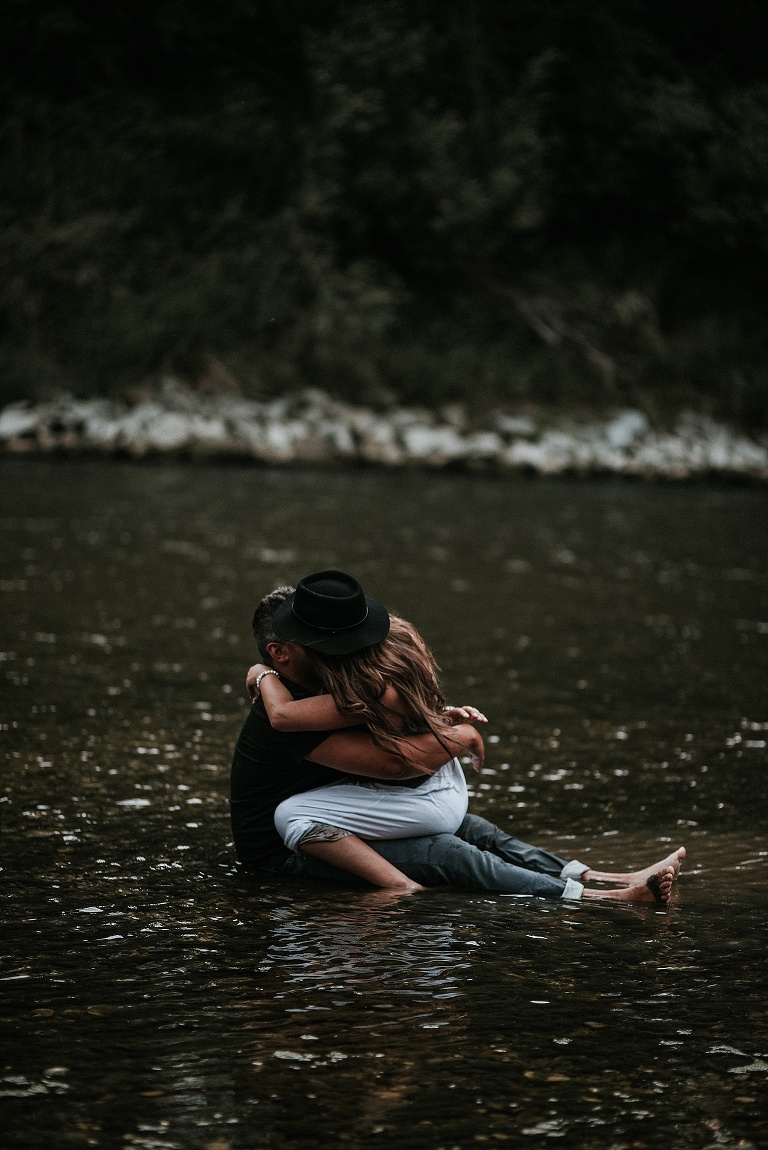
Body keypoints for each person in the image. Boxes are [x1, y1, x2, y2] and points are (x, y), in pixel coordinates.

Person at [230, 571, 683, 903]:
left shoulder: (328, 689)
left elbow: (380, 722)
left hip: (340, 813)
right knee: (445, 851)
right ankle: (601, 901)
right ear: (282, 652)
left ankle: (607, 877)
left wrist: (426, 714)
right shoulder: (284, 713)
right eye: (326, 644)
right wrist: (460, 735)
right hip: (286, 849)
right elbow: (397, 762)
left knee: (477, 831)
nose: (347, 650)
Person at [247, 613, 487, 890]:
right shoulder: (391, 685)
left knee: (291, 814)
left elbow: (283, 715)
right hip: (445, 789)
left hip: (430, 804)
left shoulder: (373, 691)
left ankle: (401, 886)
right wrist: (445, 722)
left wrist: (262, 673)